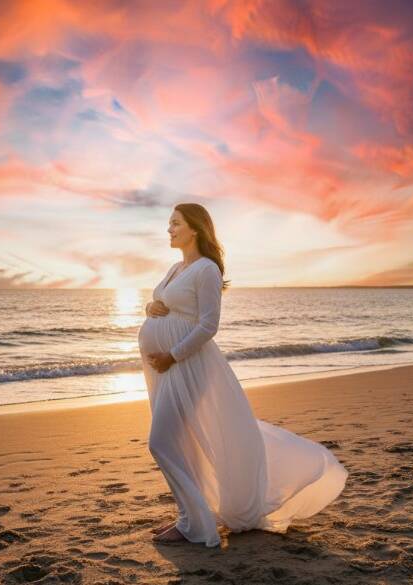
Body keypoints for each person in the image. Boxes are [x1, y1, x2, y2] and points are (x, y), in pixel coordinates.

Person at [137, 203, 348, 547]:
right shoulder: (177, 267)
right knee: (182, 444)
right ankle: (190, 516)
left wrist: (173, 355)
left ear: (195, 228)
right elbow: (161, 302)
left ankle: (196, 526)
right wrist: (150, 308)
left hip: (187, 366)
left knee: (160, 442)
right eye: (169, 223)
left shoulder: (206, 269)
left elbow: (209, 324)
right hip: (164, 368)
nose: (169, 229)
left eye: (175, 223)